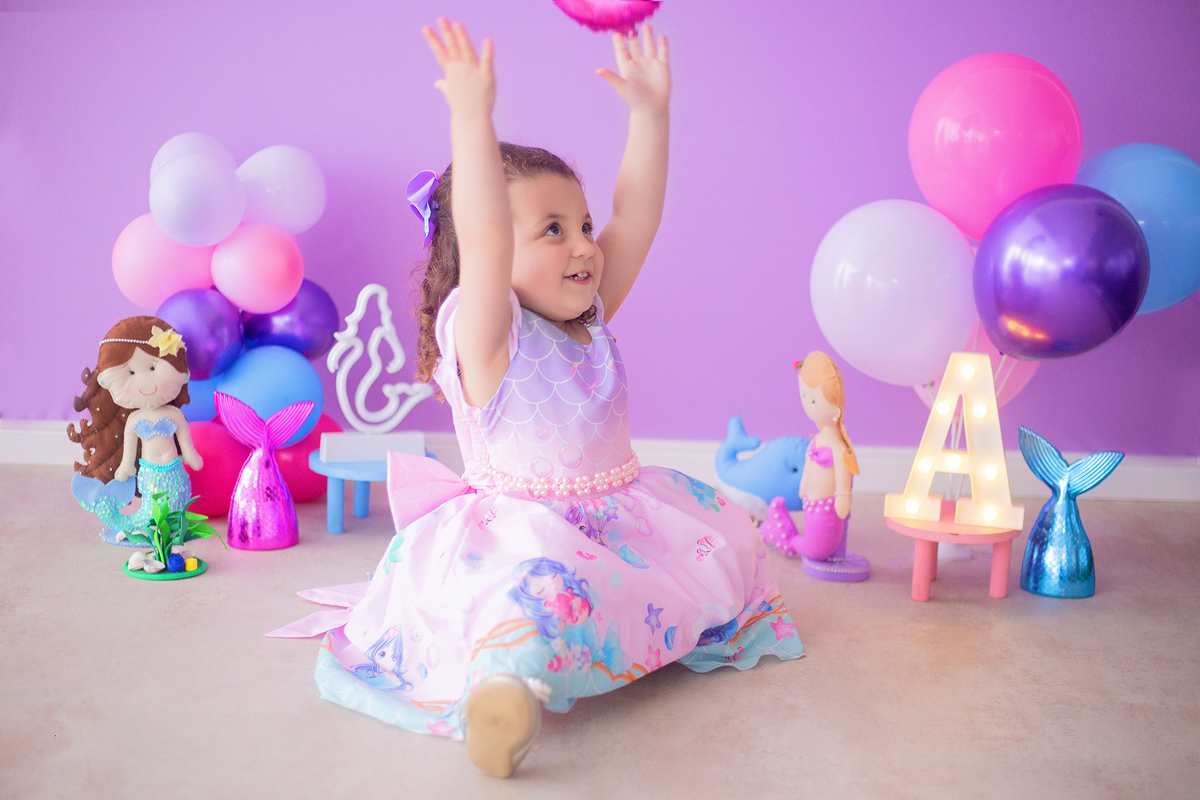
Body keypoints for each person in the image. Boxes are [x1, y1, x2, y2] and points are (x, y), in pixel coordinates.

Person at [276, 19, 802, 778]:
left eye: (581, 224)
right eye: (554, 231)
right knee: (534, 603)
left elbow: (637, 220)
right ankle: (506, 699)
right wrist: (471, 117)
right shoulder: (491, 335)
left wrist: (650, 116)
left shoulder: (586, 317)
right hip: (517, 536)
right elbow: (487, 236)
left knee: (714, 567)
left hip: (619, 516)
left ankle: (556, 657)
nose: (586, 246)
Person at [68, 316, 203, 541]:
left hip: (175, 471)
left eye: (152, 367)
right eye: (130, 372)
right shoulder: (134, 420)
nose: (145, 380)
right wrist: (126, 466)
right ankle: (147, 525)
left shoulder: (174, 415)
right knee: (153, 505)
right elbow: (129, 451)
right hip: (149, 474)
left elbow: (185, 443)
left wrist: (190, 455)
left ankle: (175, 524)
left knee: (177, 498)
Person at [763, 351, 859, 560]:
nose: (807, 404)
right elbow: (808, 467)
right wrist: (803, 484)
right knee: (813, 543)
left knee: (818, 549)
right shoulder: (816, 441)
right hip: (811, 504)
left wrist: (843, 497)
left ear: (836, 409)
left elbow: (844, 475)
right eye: (805, 397)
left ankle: (785, 538)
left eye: (813, 400)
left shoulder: (838, 447)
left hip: (827, 508)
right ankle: (782, 535)